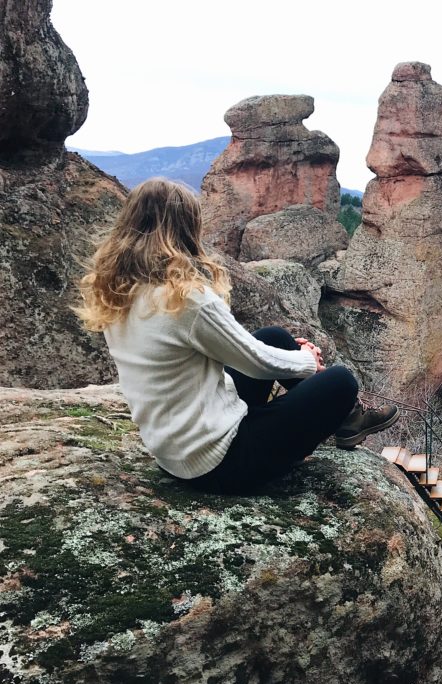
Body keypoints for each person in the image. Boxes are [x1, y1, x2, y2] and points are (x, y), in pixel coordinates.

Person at [76, 178, 398, 495]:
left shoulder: (118, 294)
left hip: (173, 454)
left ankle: (348, 421)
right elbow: (255, 362)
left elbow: (249, 352)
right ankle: (346, 416)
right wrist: (307, 362)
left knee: (273, 337)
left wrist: (292, 360)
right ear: (185, 232)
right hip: (221, 462)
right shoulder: (185, 299)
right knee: (341, 382)